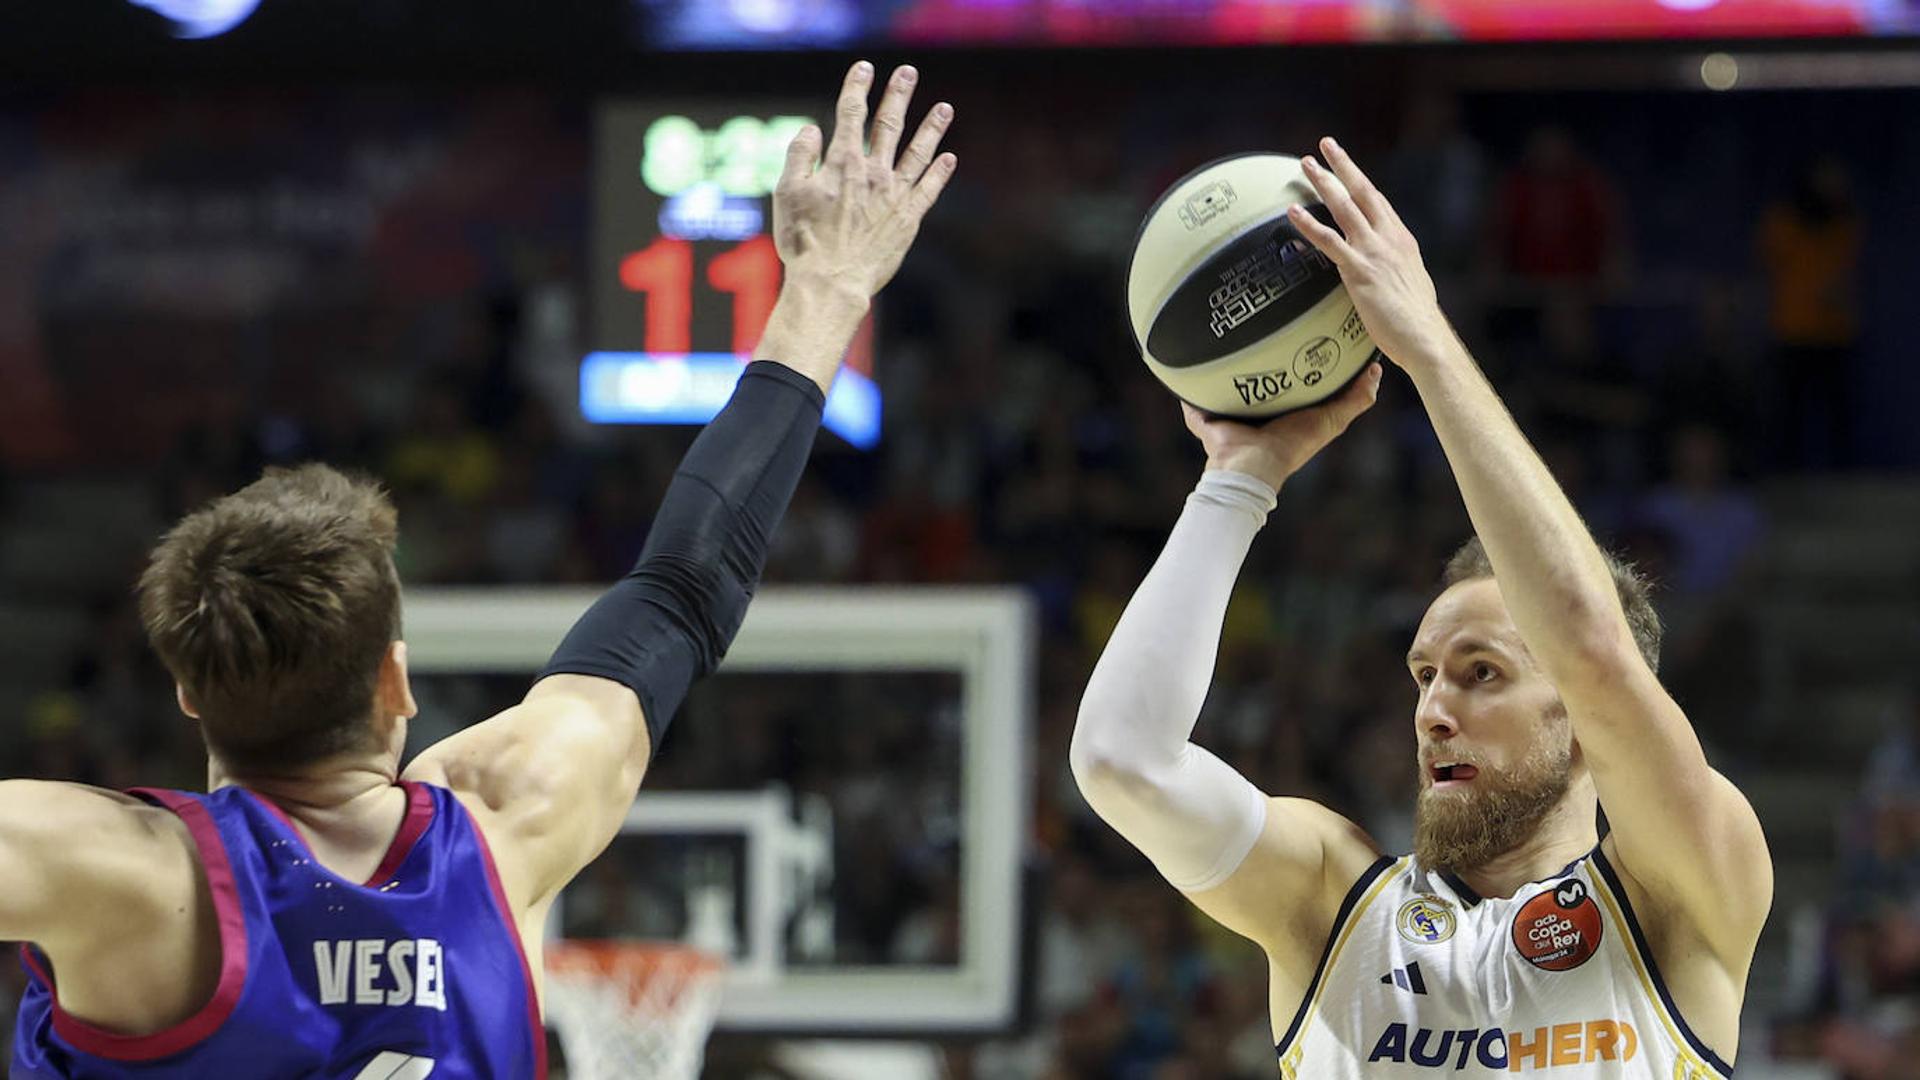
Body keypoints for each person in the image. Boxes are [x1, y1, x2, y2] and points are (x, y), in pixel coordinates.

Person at [4, 60, 955, 1079]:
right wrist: (826, 288)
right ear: (394, 680)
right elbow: (686, 584)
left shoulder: (120, 871)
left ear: (189, 693)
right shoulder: (511, 827)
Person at [1071, 138, 1770, 1077]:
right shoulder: (1332, 901)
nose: (1435, 708)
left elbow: (1592, 649)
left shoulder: (1679, 896)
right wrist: (1240, 479)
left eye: (1483, 673)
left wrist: (1427, 345)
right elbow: (1122, 760)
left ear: (1583, 720)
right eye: (1427, 674)